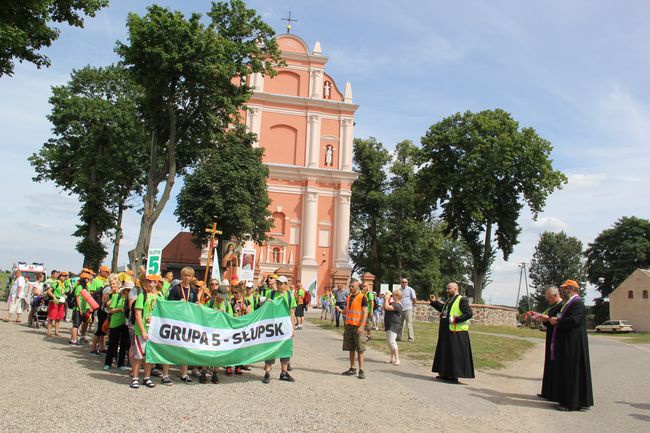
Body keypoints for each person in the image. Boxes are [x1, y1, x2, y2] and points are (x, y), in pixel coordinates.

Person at [548, 280, 594, 411]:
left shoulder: (577, 302)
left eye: (566, 288)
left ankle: (571, 403)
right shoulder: (570, 302)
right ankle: (567, 399)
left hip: (573, 343)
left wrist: (558, 321)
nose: (563, 291)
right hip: (568, 341)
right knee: (567, 370)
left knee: (572, 371)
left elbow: (575, 320)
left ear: (572, 289)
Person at [430, 282, 474, 383]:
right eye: (447, 288)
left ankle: (454, 375)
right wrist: (434, 302)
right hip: (446, 330)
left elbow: (469, 313)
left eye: (449, 289)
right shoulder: (449, 300)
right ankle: (445, 373)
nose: (447, 290)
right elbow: (444, 310)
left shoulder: (461, 299)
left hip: (456, 332)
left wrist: (456, 319)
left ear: (455, 289)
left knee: (454, 354)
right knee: (446, 352)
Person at [166, 266, 199, 383]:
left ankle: (184, 374)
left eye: (189, 275)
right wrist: (178, 303)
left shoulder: (193, 290)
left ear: (191, 277)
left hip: (187, 323)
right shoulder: (175, 289)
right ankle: (165, 375)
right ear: (182, 276)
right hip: (175, 322)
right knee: (171, 348)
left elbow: (195, 304)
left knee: (184, 349)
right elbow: (168, 305)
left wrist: (197, 304)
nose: (186, 277)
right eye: (185, 275)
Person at [262, 275, 296, 384]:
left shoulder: (290, 296)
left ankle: (284, 373)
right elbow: (264, 308)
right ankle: (267, 372)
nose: (280, 285)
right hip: (272, 326)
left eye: (282, 283)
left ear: (286, 285)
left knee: (285, 349)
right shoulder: (271, 294)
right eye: (278, 283)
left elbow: (291, 312)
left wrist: (292, 328)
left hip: (285, 327)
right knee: (271, 348)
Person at [130, 274, 161, 389]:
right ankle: (135, 377)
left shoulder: (159, 296)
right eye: (147, 282)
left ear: (156, 283)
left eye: (151, 282)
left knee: (149, 356)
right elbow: (137, 314)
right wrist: (143, 331)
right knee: (139, 356)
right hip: (142, 330)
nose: (148, 284)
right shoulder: (141, 296)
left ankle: (147, 377)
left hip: (154, 331)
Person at [200, 283, 233, 384]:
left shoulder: (227, 304)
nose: (221, 299)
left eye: (223, 297)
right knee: (207, 353)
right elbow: (203, 314)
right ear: (216, 294)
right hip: (209, 332)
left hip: (221, 332)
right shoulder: (210, 302)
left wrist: (225, 314)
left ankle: (215, 374)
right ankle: (203, 373)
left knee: (218, 354)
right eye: (220, 297)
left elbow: (231, 318)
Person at [535, 286, 563, 400]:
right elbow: (550, 321)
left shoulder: (562, 305)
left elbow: (559, 320)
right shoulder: (553, 306)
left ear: (555, 296)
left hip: (557, 338)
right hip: (550, 335)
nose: (548, 301)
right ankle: (547, 391)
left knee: (554, 364)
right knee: (548, 363)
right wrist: (545, 320)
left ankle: (553, 392)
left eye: (549, 298)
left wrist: (549, 318)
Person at [341, 280, 369, 379]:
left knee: (360, 349)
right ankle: (352, 368)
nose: (350, 288)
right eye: (350, 286)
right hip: (349, 326)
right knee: (351, 348)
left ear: (357, 287)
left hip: (358, 327)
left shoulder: (363, 297)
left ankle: (361, 370)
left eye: (352, 286)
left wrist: (362, 326)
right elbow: (348, 311)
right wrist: (342, 311)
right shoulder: (349, 297)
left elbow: (365, 312)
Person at [104, 280, 131, 371]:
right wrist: (120, 309)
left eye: (130, 290)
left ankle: (120, 364)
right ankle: (108, 363)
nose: (129, 292)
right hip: (115, 323)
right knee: (112, 344)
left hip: (126, 324)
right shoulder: (117, 296)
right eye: (127, 290)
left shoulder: (131, 299)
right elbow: (110, 310)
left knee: (124, 344)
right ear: (124, 290)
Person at [89, 274, 115, 356]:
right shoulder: (108, 288)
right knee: (99, 330)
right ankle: (93, 349)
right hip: (103, 311)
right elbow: (104, 301)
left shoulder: (108, 288)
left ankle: (102, 348)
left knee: (103, 330)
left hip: (104, 311)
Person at [69, 272, 90, 345]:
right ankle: (73, 340)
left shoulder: (85, 287)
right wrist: (80, 308)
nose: (88, 279)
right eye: (87, 278)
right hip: (77, 309)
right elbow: (77, 297)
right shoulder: (79, 287)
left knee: (79, 324)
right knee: (76, 325)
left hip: (83, 309)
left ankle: (74, 339)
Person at [383, 289, 402, 366]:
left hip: (394, 324)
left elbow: (387, 308)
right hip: (388, 323)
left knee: (392, 341)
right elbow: (383, 307)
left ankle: (397, 359)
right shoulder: (392, 303)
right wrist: (385, 299)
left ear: (397, 296)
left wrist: (387, 298)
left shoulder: (397, 305)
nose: (392, 296)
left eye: (393, 295)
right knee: (389, 341)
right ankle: (392, 358)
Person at [46, 271, 68, 337]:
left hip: (61, 301)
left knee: (59, 317)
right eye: (63, 276)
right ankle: (49, 331)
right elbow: (49, 291)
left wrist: (64, 296)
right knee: (52, 317)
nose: (65, 277)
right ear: (60, 276)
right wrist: (54, 297)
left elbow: (63, 292)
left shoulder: (63, 284)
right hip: (54, 301)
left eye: (66, 276)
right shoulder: (56, 283)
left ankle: (56, 331)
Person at [397, 278, 417, 342]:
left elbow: (414, 299)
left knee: (409, 324)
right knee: (400, 324)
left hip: (408, 308)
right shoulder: (399, 290)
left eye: (406, 282)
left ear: (407, 283)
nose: (404, 283)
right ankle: (399, 337)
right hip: (401, 309)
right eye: (403, 282)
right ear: (400, 283)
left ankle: (410, 338)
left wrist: (412, 305)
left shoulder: (410, 289)